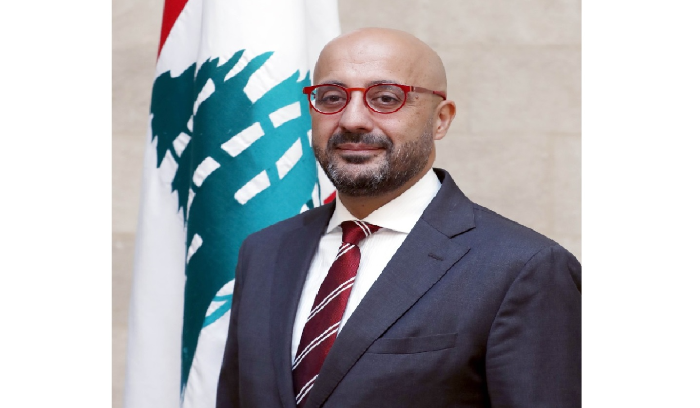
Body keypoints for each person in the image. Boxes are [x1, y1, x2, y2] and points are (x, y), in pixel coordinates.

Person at [216, 27, 581, 408]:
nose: (352, 120)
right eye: (332, 98)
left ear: (441, 119)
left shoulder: (525, 268)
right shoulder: (264, 252)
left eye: (386, 98)